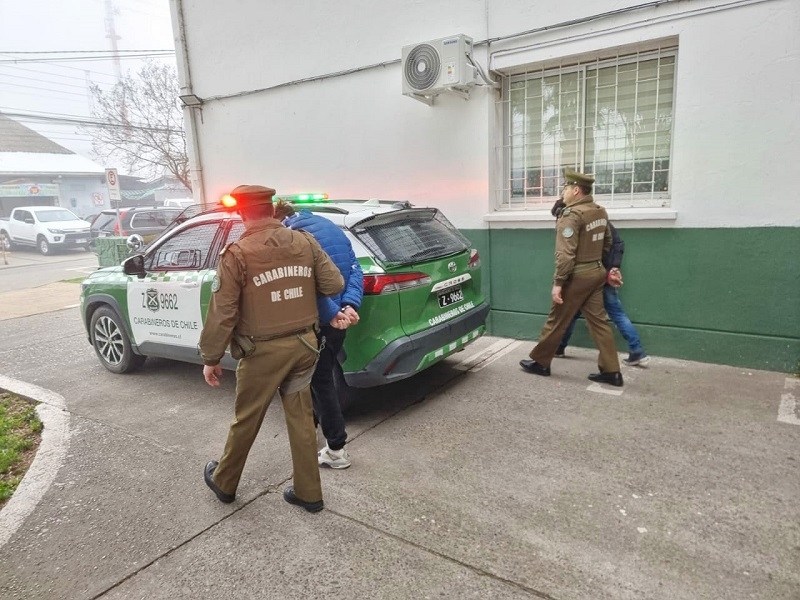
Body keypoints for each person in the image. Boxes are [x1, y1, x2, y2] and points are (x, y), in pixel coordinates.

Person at [199, 184, 345, 512]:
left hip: (261, 352)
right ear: (272, 209)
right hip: (305, 346)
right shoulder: (305, 242)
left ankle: (225, 482)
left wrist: (210, 357)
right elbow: (334, 284)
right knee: (301, 417)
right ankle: (309, 493)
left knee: (247, 418)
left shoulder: (237, 253)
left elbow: (223, 312)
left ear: (242, 212)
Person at [274, 200, 364, 470]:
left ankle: (336, 450)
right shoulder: (330, 227)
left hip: (320, 322)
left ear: (277, 219)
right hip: (337, 320)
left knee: (321, 382)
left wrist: (332, 314)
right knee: (317, 379)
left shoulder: (293, 238)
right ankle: (311, 431)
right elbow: (354, 269)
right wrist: (349, 305)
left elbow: (309, 283)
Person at [519, 169, 623, 386]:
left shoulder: (571, 216)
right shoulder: (599, 211)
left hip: (577, 276)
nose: (563, 193)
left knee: (556, 320)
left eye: (565, 188)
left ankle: (540, 362)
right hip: (596, 273)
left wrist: (558, 284)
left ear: (576, 190)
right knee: (599, 323)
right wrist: (602, 267)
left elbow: (565, 255)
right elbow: (608, 243)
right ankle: (612, 371)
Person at [554, 216, 650, 367]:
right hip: (604, 275)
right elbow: (618, 243)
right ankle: (636, 349)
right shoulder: (600, 219)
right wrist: (613, 267)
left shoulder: (574, 221)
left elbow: (570, 253)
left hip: (587, 275)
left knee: (572, 313)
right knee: (616, 313)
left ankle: (559, 347)